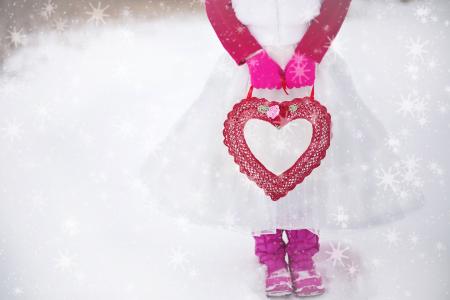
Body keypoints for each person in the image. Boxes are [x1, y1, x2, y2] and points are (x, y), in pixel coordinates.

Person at [141, 0, 423, 297]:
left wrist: (310, 53)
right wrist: (250, 54)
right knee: (257, 161)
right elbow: (217, 6)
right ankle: (271, 256)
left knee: (310, 161)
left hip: (310, 69)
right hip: (249, 70)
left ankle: (303, 255)